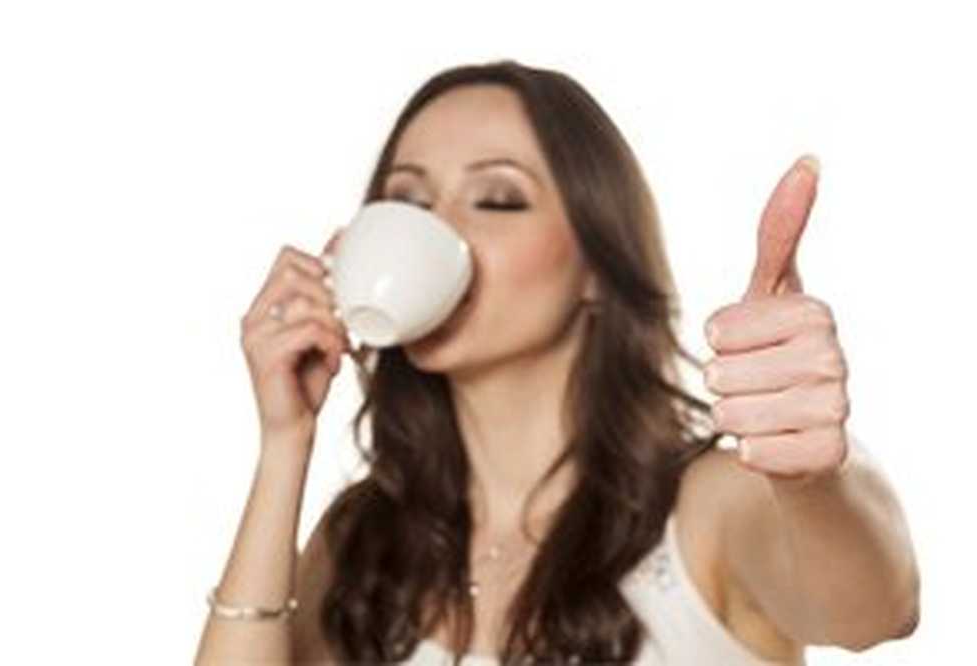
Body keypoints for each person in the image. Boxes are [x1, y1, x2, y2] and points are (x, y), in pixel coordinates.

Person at [195, 59, 920, 665]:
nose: (434, 229)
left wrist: (814, 474)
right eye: (407, 202)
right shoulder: (366, 538)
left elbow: (875, 613)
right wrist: (285, 443)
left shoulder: (707, 507)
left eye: (497, 199)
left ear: (596, 268)